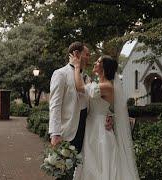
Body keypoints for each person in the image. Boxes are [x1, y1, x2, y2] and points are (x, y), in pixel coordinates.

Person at [48, 42, 113, 180]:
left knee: (80, 170)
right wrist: (55, 133)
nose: (89, 58)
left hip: (87, 130)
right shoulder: (60, 74)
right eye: (87, 54)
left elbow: (97, 103)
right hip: (68, 131)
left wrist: (108, 115)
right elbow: (55, 105)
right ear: (77, 54)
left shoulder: (87, 77)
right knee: (64, 172)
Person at [71, 53, 140, 180]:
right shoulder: (99, 84)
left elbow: (79, 87)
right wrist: (111, 116)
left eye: (98, 62)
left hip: (100, 129)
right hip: (93, 126)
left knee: (100, 163)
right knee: (91, 162)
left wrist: (76, 66)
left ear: (104, 68)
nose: (95, 63)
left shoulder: (107, 86)